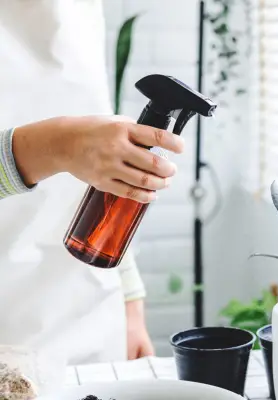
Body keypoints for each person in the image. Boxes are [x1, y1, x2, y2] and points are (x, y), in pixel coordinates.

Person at [0, 0, 169, 364]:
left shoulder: (80, 10)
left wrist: (130, 302)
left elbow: (96, 179)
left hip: (90, 313)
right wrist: (57, 146)